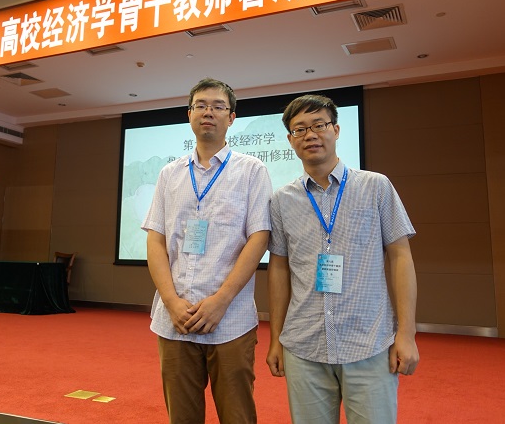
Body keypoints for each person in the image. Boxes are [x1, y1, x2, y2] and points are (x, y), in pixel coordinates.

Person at [266, 94, 419, 424]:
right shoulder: (281, 200)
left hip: (369, 343)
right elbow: (278, 268)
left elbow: (401, 256)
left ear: (335, 130)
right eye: (300, 129)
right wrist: (275, 339)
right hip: (303, 346)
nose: (310, 135)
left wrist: (406, 334)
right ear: (290, 140)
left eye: (319, 125)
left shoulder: (376, 187)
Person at [142, 77, 272, 424]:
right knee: (181, 417)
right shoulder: (169, 173)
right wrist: (171, 301)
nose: (208, 112)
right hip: (175, 319)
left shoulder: (252, 171)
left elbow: (259, 237)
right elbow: (155, 239)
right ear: (189, 114)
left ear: (231, 117)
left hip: (230, 319)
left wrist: (221, 300)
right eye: (200, 105)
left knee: (237, 415)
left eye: (217, 106)